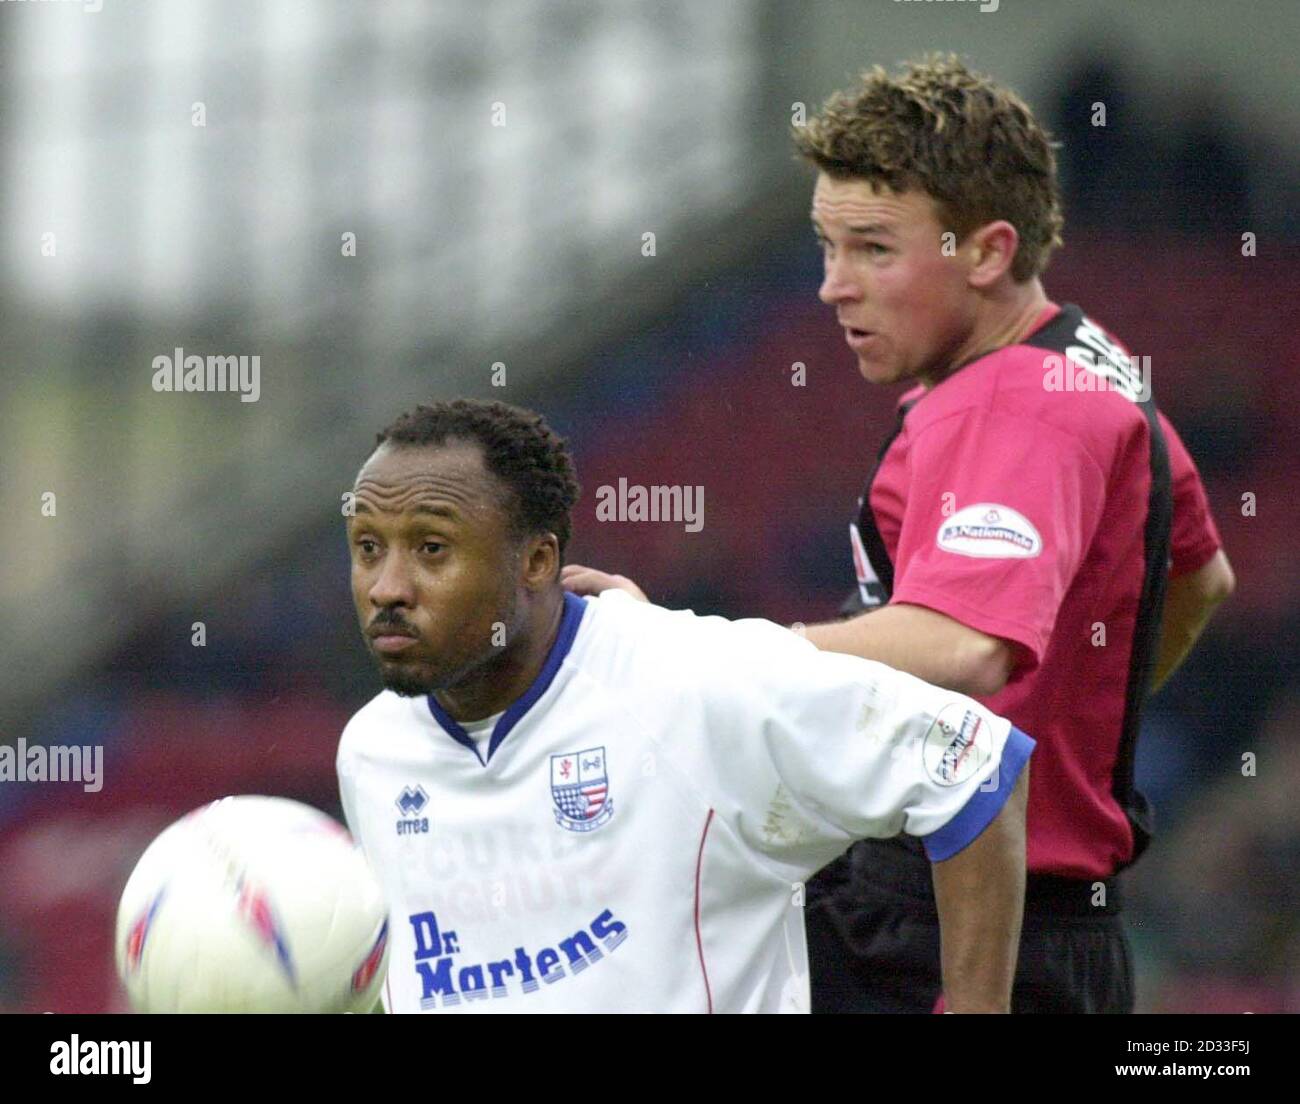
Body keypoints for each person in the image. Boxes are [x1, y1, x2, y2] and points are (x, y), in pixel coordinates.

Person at [563, 56, 1234, 1014]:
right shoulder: (1085, 357)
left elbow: (964, 645)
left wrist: (689, 651)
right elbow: (1200, 579)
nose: (835, 287)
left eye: (875, 249)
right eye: (827, 247)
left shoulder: (1014, 407)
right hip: (1029, 923)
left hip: (949, 933)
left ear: (989, 252)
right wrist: (1066, 726)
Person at [336, 397, 1033, 1013]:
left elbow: (969, 763)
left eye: (431, 548)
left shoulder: (691, 683)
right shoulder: (370, 752)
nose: (387, 587)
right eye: (368, 548)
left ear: (537, 562)